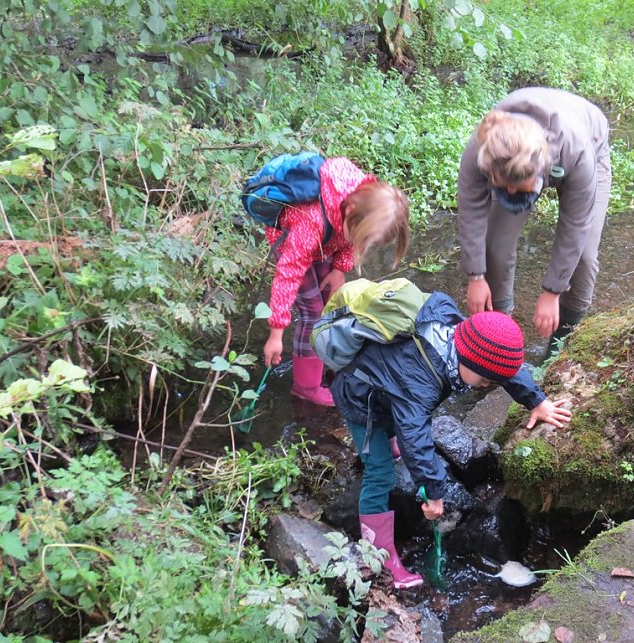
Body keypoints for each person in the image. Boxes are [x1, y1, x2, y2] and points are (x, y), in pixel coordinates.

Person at [330, 294, 572, 588]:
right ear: (468, 360)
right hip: (362, 400)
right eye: (484, 381)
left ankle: (387, 442)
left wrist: (537, 401)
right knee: (380, 473)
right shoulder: (419, 381)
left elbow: (501, 365)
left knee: (401, 424)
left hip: (388, 387)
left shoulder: (462, 335)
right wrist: (434, 494)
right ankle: (379, 558)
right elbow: (415, 435)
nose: (485, 386)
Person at [458, 87, 611, 356]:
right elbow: (471, 209)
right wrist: (476, 276)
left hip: (590, 141)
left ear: (540, 172)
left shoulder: (576, 152)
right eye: (506, 187)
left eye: (521, 187)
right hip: (523, 151)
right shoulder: (483, 149)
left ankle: (563, 344)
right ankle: (498, 332)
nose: (513, 193)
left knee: (584, 257)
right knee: (496, 245)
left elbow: (575, 224)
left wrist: (552, 291)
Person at [262, 157, 410, 406]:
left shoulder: (361, 201)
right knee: (312, 312)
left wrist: (340, 269)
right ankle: (305, 386)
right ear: (350, 211)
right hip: (294, 243)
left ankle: (324, 359)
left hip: (325, 241)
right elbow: (287, 274)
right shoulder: (311, 221)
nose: (362, 246)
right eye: (361, 238)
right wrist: (276, 333)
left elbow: (350, 239)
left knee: (331, 303)